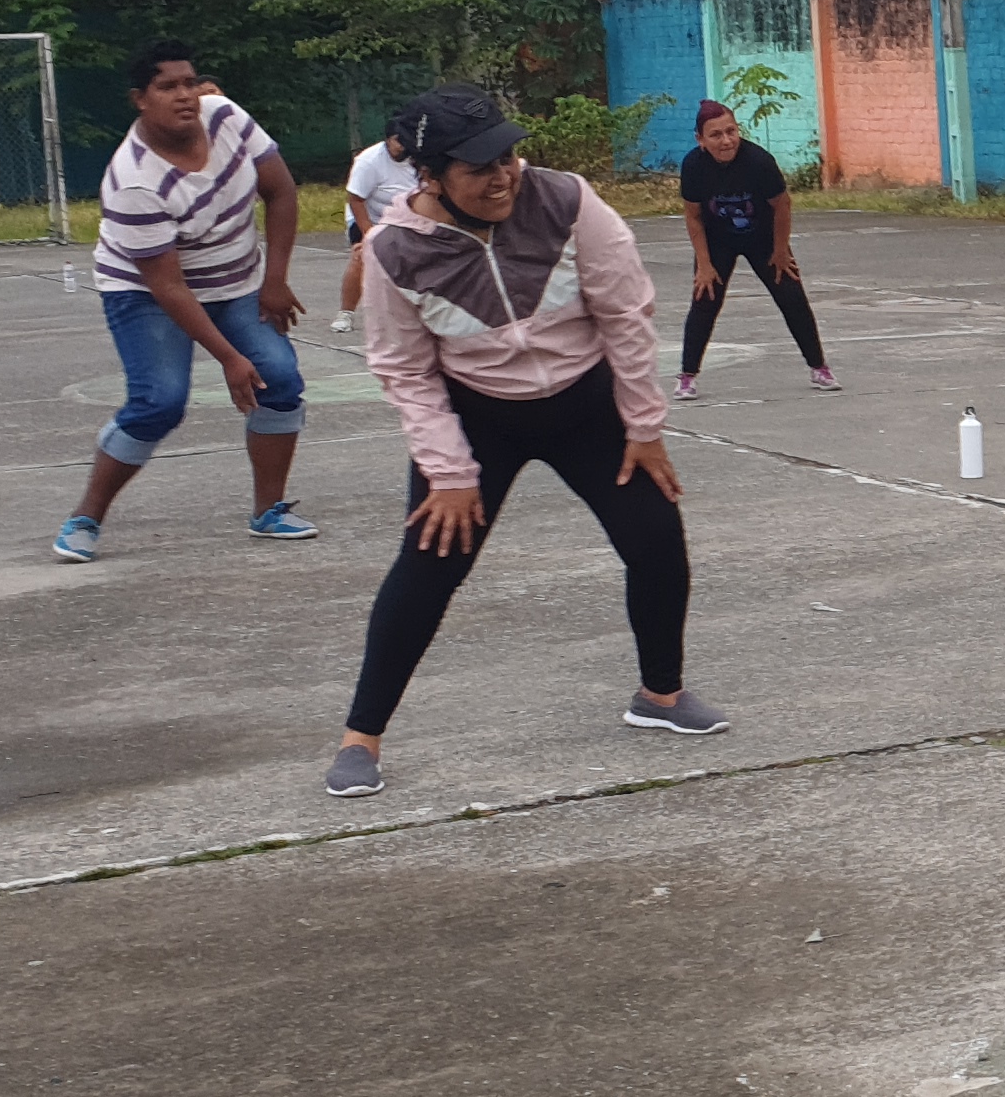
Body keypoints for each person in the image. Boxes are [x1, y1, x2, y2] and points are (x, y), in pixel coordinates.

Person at [325, 84, 721, 798]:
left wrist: (643, 426)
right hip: (478, 418)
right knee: (430, 564)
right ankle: (362, 737)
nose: (503, 176)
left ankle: (660, 694)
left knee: (656, 536)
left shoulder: (566, 199)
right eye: (479, 168)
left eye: (507, 157)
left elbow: (625, 313)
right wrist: (449, 472)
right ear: (430, 176)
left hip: (585, 404)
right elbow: (405, 370)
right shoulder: (393, 250)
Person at [51, 42, 311, 563]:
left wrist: (275, 280)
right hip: (146, 293)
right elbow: (168, 287)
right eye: (167, 87)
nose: (185, 95)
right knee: (159, 402)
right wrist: (230, 358)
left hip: (236, 279)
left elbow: (281, 192)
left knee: (280, 380)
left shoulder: (226, 117)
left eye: (190, 82)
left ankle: (268, 510)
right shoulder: (133, 180)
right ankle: (85, 517)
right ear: (140, 99)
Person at [674, 99, 834, 399]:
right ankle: (687, 376)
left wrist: (780, 251)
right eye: (716, 135)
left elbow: (782, 205)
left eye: (731, 131)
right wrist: (705, 265)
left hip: (763, 237)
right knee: (705, 298)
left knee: (791, 296)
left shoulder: (758, 161)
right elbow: (693, 216)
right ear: (700, 140)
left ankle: (819, 368)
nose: (726, 141)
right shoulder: (693, 165)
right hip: (718, 240)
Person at [332, 110, 419, 337]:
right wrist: (369, 234)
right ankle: (345, 313)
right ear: (388, 139)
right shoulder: (369, 161)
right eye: (399, 142)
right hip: (369, 216)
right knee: (362, 256)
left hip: (408, 217)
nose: (403, 147)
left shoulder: (421, 158)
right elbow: (356, 199)